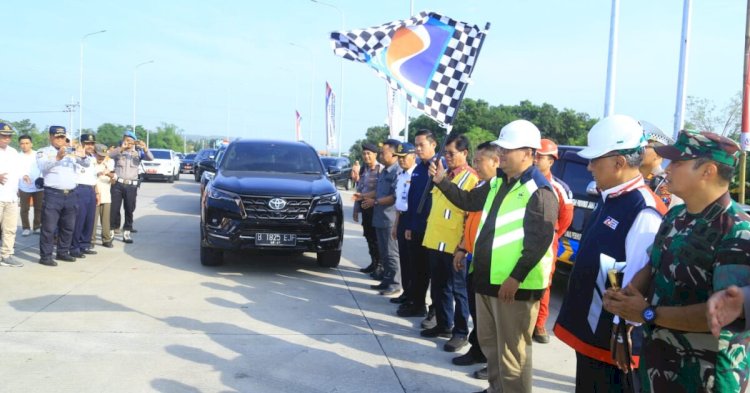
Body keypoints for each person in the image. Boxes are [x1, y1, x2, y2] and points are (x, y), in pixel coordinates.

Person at [603, 130, 750, 392]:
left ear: (708, 171)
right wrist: (626, 300)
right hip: (659, 367)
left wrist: (647, 313)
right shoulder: (676, 217)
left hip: (705, 377)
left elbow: (720, 314)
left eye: (678, 163)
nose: (667, 169)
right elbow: (653, 266)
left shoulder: (738, 231)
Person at [430, 120, 558, 393]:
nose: (500, 154)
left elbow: (539, 241)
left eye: (507, 149)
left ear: (527, 153)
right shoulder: (498, 182)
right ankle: (495, 389)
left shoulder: (540, 190)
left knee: (512, 354)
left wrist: (516, 277)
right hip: (488, 280)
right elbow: (467, 201)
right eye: (500, 148)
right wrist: (441, 181)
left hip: (514, 287)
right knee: (491, 345)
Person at [554, 115, 667, 393]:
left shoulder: (643, 209)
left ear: (619, 162)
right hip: (593, 329)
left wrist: (622, 330)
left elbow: (639, 280)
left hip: (612, 338)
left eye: (596, 160)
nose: (589, 166)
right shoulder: (611, 196)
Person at [421, 133, 479, 354]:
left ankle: (461, 332)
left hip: (454, 245)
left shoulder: (471, 178)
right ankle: (444, 324)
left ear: (464, 153)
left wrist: (463, 246)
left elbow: (469, 216)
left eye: (451, 153)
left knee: (458, 290)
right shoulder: (445, 174)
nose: (447, 157)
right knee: (439, 286)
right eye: (445, 153)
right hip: (436, 240)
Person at [451, 141, 500, 372]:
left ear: (495, 161)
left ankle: (491, 361)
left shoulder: (499, 190)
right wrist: (462, 247)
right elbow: (470, 221)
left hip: (493, 264)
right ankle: (478, 349)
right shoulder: (484, 187)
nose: (475, 165)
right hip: (473, 258)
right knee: (476, 311)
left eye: (479, 160)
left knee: (490, 320)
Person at [532, 139, 574, 344]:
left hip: (548, 241)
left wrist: (551, 236)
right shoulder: (524, 180)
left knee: (543, 282)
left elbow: (566, 219)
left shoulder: (559, 187)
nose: (536, 159)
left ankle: (539, 325)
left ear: (551, 161)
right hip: (521, 239)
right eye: (534, 155)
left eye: (540, 156)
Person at [397, 130, 438, 325]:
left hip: (435, 230)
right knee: (417, 269)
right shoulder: (420, 169)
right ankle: (417, 303)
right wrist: (410, 226)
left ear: (433, 145)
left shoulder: (439, 167)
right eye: (416, 145)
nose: (418, 149)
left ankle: (435, 312)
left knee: (436, 276)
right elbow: (413, 200)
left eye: (422, 145)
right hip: (417, 227)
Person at [37, 126, 90, 266]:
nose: (60, 140)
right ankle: (46, 256)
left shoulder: (71, 151)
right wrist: (58, 157)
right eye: (57, 136)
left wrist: (82, 155)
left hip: (71, 193)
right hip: (53, 194)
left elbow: (87, 164)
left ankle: (63, 252)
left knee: (68, 226)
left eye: (62, 137)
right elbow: (42, 167)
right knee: (49, 227)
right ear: (51, 137)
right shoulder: (44, 152)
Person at [362, 139, 401, 296]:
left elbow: (394, 196)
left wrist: (375, 201)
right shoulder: (384, 171)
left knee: (392, 253)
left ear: (393, 154)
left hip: (389, 218)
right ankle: (386, 280)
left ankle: (395, 283)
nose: (380, 155)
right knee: (383, 252)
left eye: (383, 152)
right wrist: (363, 196)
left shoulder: (397, 172)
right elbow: (378, 191)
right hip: (379, 217)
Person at [109, 131, 153, 244]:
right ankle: (113, 230)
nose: (128, 142)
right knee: (114, 208)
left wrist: (145, 148)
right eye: (126, 139)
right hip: (117, 183)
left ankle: (127, 231)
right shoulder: (119, 151)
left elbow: (151, 158)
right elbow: (109, 156)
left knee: (129, 209)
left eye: (130, 140)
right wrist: (121, 149)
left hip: (131, 185)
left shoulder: (138, 153)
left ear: (134, 141)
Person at [390, 142, 417, 305]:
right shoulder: (402, 175)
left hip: (412, 220)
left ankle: (414, 296)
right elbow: (400, 202)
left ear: (413, 156)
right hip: (402, 218)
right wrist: (396, 225)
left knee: (413, 262)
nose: (401, 161)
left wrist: (410, 225)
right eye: (399, 158)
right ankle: (406, 292)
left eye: (404, 157)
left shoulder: (417, 175)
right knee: (404, 261)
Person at [352, 142, 382, 276]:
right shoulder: (364, 169)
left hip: (376, 207)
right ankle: (373, 263)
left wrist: (365, 197)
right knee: (369, 236)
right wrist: (356, 209)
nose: (366, 156)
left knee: (376, 238)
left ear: (375, 154)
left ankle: (380, 266)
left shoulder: (380, 169)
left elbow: (381, 190)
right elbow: (359, 189)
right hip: (365, 208)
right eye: (364, 154)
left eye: (369, 153)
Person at [70, 133, 99, 258]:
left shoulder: (92, 158)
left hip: (90, 189)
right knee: (79, 220)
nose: (90, 146)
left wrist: (96, 192)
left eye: (92, 143)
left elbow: (93, 176)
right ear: (82, 144)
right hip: (79, 189)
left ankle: (84, 245)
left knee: (89, 220)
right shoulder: (74, 156)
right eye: (87, 143)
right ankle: (75, 247)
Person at [639, 120, 680, 207]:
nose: (639, 151)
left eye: (645, 147)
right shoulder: (640, 178)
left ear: (658, 154)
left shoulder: (664, 183)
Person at [0, 123, 21, 267]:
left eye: (9, 136)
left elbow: (17, 172)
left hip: (12, 197)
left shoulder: (13, 152)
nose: (7, 139)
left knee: (10, 229)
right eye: (3, 136)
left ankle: (6, 255)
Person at [17, 134, 43, 236]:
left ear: (31, 144)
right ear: (19, 145)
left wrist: (40, 179)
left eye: (27, 143)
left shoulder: (38, 155)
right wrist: (23, 176)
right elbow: (16, 170)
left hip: (38, 187)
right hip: (23, 187)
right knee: (24, 209)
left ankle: (36, 227)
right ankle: (26, 227)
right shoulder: (17, 156)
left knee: (39, 208)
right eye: (22, 143)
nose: (25, 145)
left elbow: (43, 168)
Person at [92, 143, 114, 248]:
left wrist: (109, 173)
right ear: (94, 153)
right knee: (92, 220)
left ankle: (106, 239)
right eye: (99, 155)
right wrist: (97, 174)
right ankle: (91, 240)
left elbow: (114, 180)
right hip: (94, 195)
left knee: (105, 220)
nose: (101, 158)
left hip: (106, 195)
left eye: (103, 156)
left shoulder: (109, 163)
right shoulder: (90, 163)